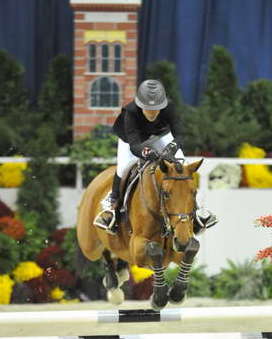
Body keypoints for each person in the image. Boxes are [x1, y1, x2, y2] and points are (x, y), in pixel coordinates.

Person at [93, 79, 217, 234]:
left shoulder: (169, 107)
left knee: (182, 165)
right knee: (124, 168)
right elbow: (134, 144)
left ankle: (198, 209)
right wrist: (146, 152)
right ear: (140, 105)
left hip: (159, 135)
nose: (152, 113)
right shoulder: (130, 113)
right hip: (131, 140)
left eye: (156, 109)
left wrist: (171, 148)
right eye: (147, 109)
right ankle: (112, 207)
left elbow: (180, 134)